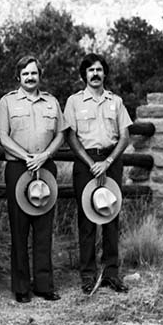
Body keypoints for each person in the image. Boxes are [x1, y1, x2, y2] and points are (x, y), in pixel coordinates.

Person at [0, 55, 66, 303]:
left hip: (46, 168)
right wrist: (26, 157)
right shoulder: (7, 102)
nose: (30, 77)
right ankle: (21, 287)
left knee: (44, 229)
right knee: (19, 228)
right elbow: (2, 136)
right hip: (18, 167)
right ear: (18, 77)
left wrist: (44, 155)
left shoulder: (51, 102)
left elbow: (60, 135)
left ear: (40, 76)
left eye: (33, 73)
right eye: (25, 73)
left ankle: (44, 285)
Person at [64, 52, 132, 294]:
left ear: (105, 73)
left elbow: (124, 136)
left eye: (99, 70)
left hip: (111, 160)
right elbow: (71, 136)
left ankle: (111, 273)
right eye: (90, 70)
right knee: (87, 219)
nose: (95, 74)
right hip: (86, 162)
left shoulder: (116, 101)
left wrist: (108, 161)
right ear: (84, 74)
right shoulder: (74, 101)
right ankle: (88, 274)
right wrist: (91, 162)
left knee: (111, 214)